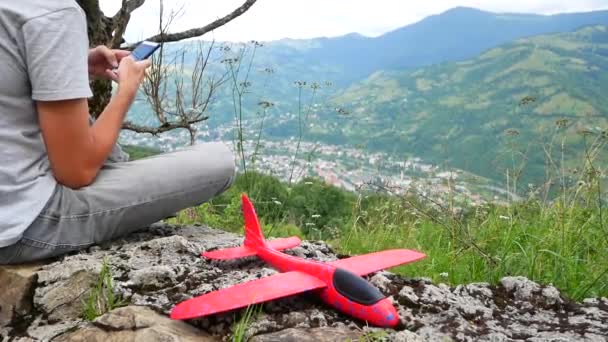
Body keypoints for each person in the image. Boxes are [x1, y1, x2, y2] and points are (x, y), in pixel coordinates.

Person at [0, 1, 235, 264]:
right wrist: (127, 89)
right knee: (219, 161)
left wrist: (72, 64)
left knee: (101, 145)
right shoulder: (54, 12)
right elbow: (76, 172)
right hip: (22, 223)